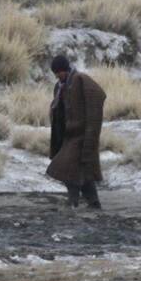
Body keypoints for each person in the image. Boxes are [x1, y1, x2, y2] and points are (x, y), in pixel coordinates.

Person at [46, 55, 106, 209]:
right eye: (56, 73)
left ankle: (72, 202)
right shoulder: (60, 86)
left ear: (65, 69)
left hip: (81, 134)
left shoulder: (80, 79)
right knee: (82, 171)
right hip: (69, 135)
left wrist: (90, 128)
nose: (58, 75)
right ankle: (94, 203)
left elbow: (98, 94)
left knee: (66, 167)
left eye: (59, 72)